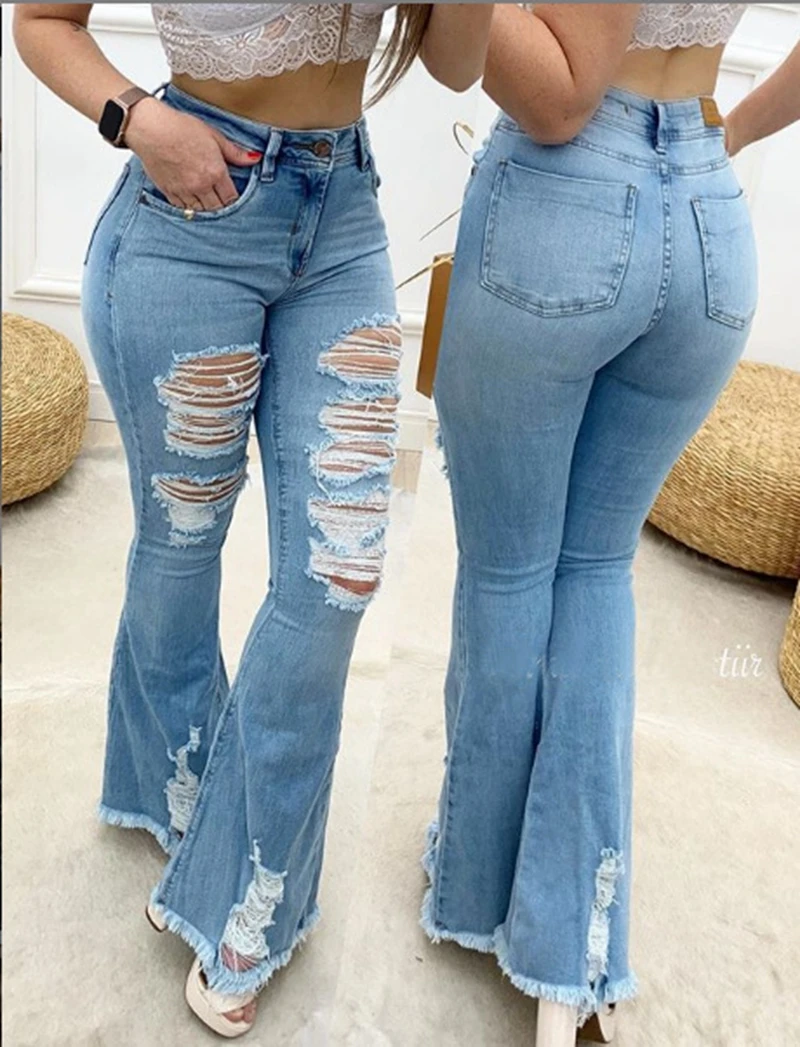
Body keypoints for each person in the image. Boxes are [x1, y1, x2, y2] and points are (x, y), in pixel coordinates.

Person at [12, 2, 493, 1038]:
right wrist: (137, 118)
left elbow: (457, 66)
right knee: (180, 543)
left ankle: (246, 891)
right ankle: (177, 796)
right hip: (184, 222)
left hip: (341, 215)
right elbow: (42, 21)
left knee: (338, 572)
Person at [423, 5, 800, 1046]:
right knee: (593, 570)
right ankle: (571, 960)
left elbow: (554, 98)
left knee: (508, 572)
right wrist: (725, 134)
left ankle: (475, 893)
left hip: (563, 206)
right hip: (709, 216)